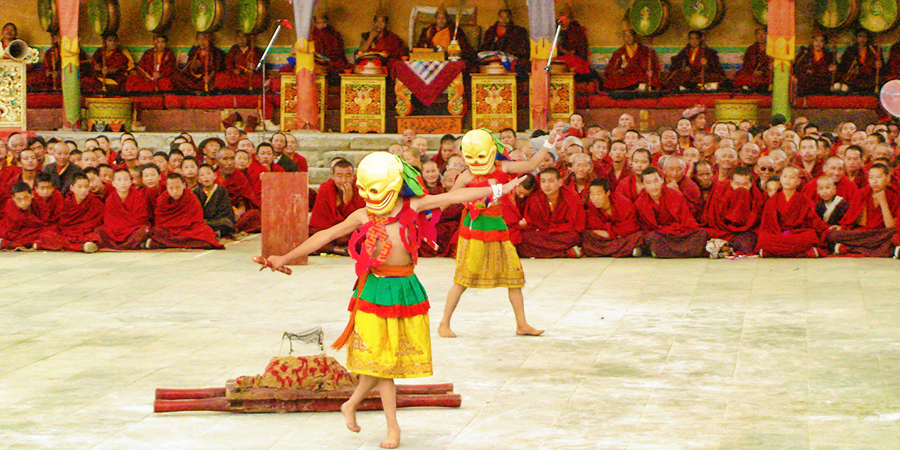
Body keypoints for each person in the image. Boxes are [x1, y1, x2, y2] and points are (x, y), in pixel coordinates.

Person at [265, 151, 525, 450]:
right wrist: (283, 257)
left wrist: (498, 189)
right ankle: (393, 428)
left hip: (405, 289)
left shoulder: (412, 205)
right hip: (374, 291)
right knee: (384, 366)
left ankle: (351, 404)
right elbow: (324, 235)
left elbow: (456, 197)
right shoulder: (362, 214)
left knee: (384, 364)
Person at [438, 128, 551, 338]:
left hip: (497, 227)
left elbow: (531, 165)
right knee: (463, 279)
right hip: (473, 230)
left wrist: (549, 144)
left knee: (514, 276)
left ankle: (522, 324)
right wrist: (427, 217)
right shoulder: (465, 176)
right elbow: (447, 200)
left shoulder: (503, 166)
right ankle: (444, 323)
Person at [756, 166, 833, 257]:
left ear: (798, 182)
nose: (787, 180)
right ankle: (806, 253)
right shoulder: (772, 201)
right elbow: (767, 224)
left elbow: (813, 220)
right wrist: (778, 234)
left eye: (792, 177)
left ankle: (771, 253)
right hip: (779, 234)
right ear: (780, 179)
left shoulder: (805, 200)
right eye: (785, 176)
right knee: (763, 239)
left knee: (810, 236)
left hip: (797, 233)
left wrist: (827, 228)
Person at [634, 167, 710, 258]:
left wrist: (672, 230)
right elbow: (647, 229)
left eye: (656, 181)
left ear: (662, 180)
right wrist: (665, 232)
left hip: (679, 233)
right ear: (643, 185)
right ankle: (688, 252)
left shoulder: (676, 195)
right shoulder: (640, 203)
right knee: (651, 238)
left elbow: (687, 222)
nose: (653, 186)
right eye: (648, 183)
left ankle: (662, 253)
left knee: (702, 234)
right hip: (661, 236)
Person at [826, 164, 897, 257]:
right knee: (832, 235)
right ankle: (869, 249)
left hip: (881, 233)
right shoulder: (861, 193)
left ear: (887, 178)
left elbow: (890, 226)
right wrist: (842, 227)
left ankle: (848, 248)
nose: (875, 181)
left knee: (892, 235)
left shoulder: (895, 195)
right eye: (871, 177)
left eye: (879, 177)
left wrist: (883, 201)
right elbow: (850, 217)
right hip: (862, 233)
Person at [518, 168, 586, 258]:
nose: (547, 185)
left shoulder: (571, 196)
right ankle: (565, 253)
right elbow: (534, 223)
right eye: (543, 181)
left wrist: (555, 229)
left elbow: (577, 224)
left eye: (551, 181)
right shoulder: (536, 198)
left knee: (574, 237)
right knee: (524, 237)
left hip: (562, 233)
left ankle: (546, 252)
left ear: (560, 182)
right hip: (544, 234)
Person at [146, 173, 224, 250]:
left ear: (184, 185)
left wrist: (182, 227)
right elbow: (160, 220)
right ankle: (185, 243)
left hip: (188, 229)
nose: (175, 191)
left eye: (177, 187)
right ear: (166, 187)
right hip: (170, 230)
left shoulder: (191, 197)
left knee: (206, 231)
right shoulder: (162, 199)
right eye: (171, 188)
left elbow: (197, 219)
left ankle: (164, 244)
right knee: (157, 231)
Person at [701, 166, 765, 254]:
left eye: (745, 184)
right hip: (721, 231)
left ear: (751, 184)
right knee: (700, 236)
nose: (740, 188)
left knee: (747, 245)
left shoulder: (757, 197)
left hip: (745, 234)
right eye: (737, 184)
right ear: (731, 182)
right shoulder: (720, 190)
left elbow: (758, 223)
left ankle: (724, 248)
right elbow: (711, 217)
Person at [309, 159, 366, 254]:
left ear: (353, 176)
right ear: (333, 176)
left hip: (351, 233)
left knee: (366, 238)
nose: (344, 180)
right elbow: (319, 220)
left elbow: (360, 221)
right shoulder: (325, 189)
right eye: (339, 176)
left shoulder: (360, 188)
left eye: (348, 176)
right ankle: (339, 249)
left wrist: (348, 202)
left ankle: (336, 249)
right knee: (312, 236)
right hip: (331, 233)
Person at [582, 177, 643, 257]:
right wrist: (614, 233)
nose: (595, 198)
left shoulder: (623, 202)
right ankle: (626, 250)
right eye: (592, 194)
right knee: (586, 235)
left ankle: (603, 251)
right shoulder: (592, 205)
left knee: (639, 236)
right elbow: (594, 225)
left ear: (607, 193)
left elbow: (632, 226)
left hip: (620, 236)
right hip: (616, 236)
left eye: (599, 194)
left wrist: (610, 233)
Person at [43, 173, 103, 253]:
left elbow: (98, 220)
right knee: (48, 234)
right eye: (79, 187)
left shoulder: (95, 202)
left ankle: (76, 246)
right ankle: (81, 247)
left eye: (86, 186)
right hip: (68, 232)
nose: (83, 190)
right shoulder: (66, 202)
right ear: (72, 188)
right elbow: (61, 222)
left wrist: (81, 229)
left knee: (98, 234)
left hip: (86, 232)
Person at [98, 169, 152, 250]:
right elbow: (109, 221)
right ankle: (131, 245)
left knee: (144, 230)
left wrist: (128, 227)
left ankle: (116, 246)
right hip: (116, 232)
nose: (123, 183)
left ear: (131, 181)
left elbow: (142, 218)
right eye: (119, 180)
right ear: (113, 183)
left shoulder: (138, 196)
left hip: (132, 230)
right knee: (99, 230)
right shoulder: (110, 199)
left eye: (126, 179)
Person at [216, 148, 260, 233]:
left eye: (232, 158)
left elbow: (245, 200)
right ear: (217, 161)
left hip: (237, 214)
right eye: (225, 159)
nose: (229, 163)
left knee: (254, 214)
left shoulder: (239, 176)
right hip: (219, 214)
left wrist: (239, 211)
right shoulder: (213, 177)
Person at [0, 182, 55, 250]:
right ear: (13, 198)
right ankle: (11, 244)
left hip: (37, 231)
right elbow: (11, 229)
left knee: (52, 232)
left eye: (26, 198)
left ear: (32, 194)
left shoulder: (39, 201)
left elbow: (45, 221)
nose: (23, 202)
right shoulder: (10, 206)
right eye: (19, 199)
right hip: (18, 233)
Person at [193, 164, 235, 239]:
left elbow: (226, 209)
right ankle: (212, 232)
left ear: (214, 176)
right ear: (198, 179)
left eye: (208, 173)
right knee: (196, 224)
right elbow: (195, 211)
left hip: (218, 220)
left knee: (226, 223)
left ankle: (211, 231)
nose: (206, 177)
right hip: (204, 221)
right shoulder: (196, 192)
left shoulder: (221, 190)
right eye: (202, 175)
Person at [555, 7, 591, 74]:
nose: (564, 19)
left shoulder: (575, 29)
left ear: (570, 19)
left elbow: (580, 47)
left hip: (575, 57)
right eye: (562, 16)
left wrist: (569, 52)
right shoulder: (555, 28)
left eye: (567, 17)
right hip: (558, 58)